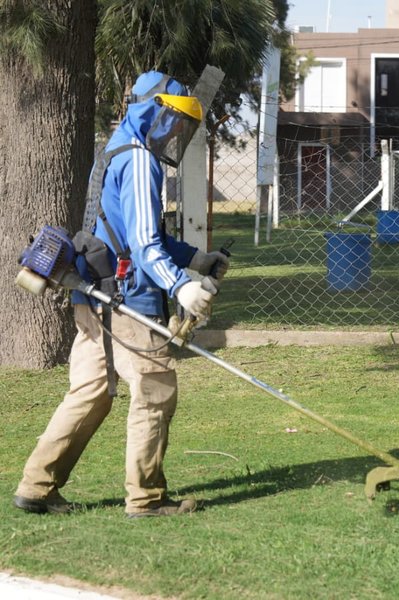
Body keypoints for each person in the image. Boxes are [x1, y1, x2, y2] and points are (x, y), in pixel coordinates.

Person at [13, 71, 229, 518]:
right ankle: (146, 499)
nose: (175, 131)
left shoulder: (111, 153)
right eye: (172, 118)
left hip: (93, 295)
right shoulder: (139, 160)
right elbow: (146, 246)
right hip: (129, 299)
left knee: (89, 393)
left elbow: (126, 233)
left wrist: (197, 259)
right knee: (154, 390)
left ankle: (36, 487)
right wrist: (182, 285)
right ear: (152, 109)